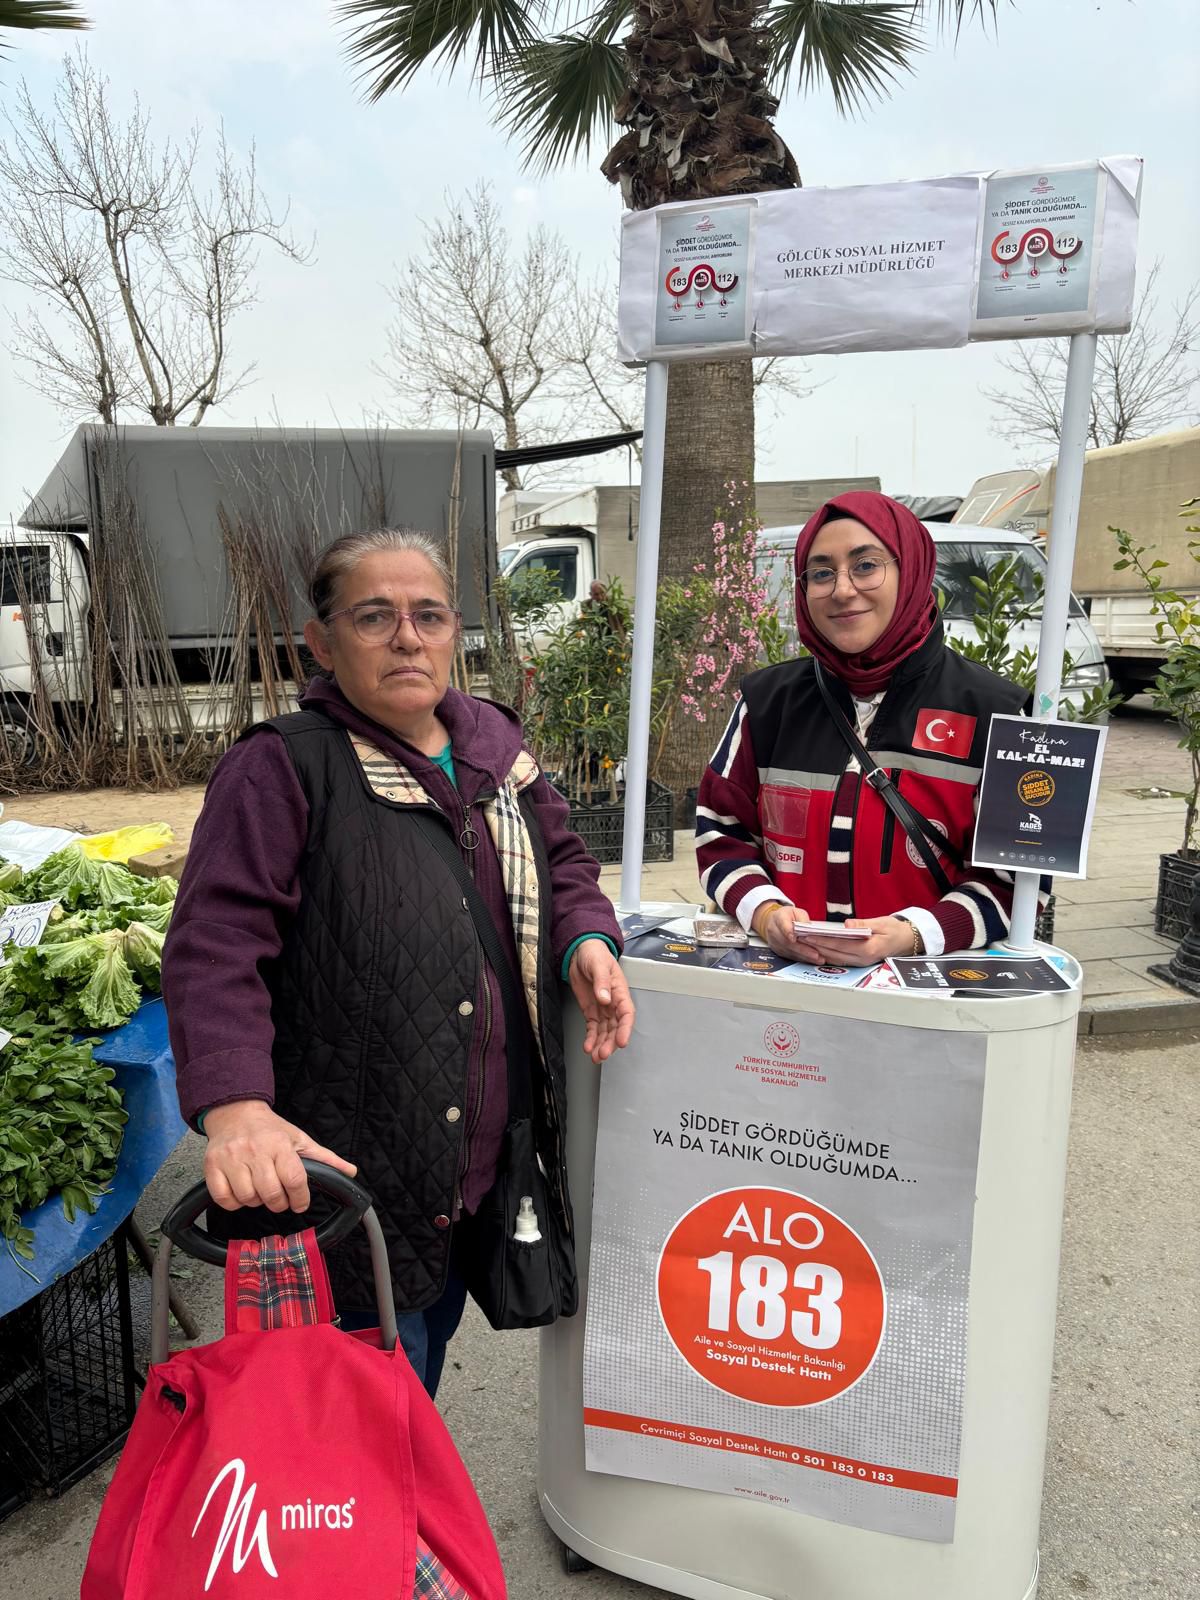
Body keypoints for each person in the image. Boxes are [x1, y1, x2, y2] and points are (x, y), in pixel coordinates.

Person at [162, 527, 633, 1397]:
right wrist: (236, 1112)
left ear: (456, 631)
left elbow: (563, 860)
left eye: (428, 615)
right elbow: (215, 943)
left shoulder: (495, 749)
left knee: (413, 1382)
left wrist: (588, 939)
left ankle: (395, 1523)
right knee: (347, 1417)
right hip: (348, 1183)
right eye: (374, 616)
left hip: (472, 1173)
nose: (407, 638)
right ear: (322, 640)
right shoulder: (286, 769)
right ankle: (372, 1533)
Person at [695, 491, 1042, 966]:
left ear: (912, 570)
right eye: (821, 572)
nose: (841, 590)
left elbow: (1018, 882)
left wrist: (912, 934)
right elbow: (721, 834)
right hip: (788, 989)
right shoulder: (767, 703)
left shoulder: (992, 712)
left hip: (926, 998)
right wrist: (765, 912)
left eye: (865, 565)